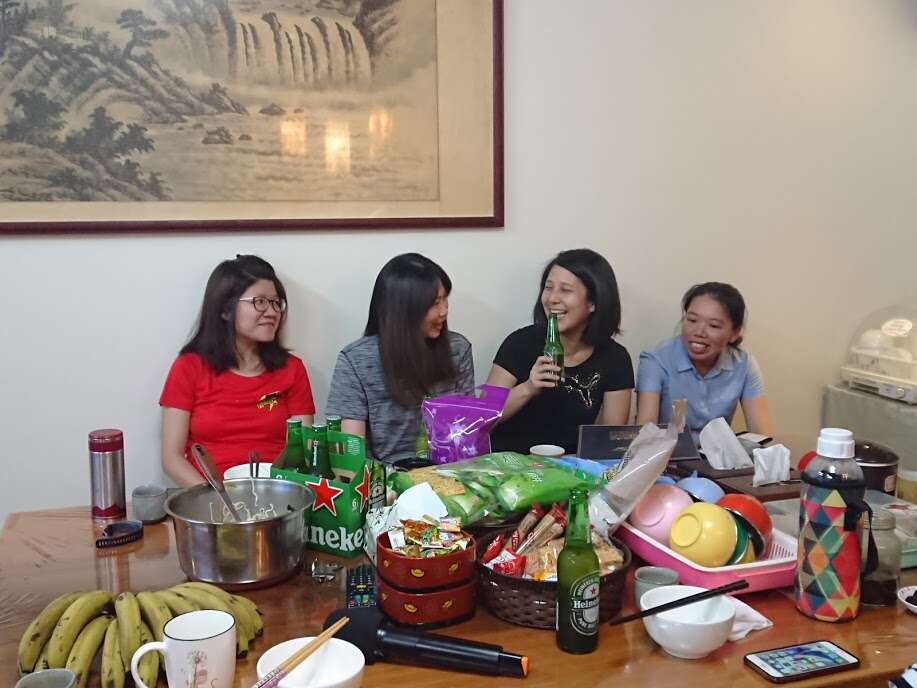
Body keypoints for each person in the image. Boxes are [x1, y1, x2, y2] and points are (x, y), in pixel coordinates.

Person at [160, 255, 315, 486]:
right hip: (210, 496)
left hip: (278, 494)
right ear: (225, 309)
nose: (272, 312)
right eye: (259, 302)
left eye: (276, 303)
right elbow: (172, 458)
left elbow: (304, 449)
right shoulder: (189, 367)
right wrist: (216, 499)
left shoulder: (292, 369)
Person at [326, 253, 475, 463]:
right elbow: (351, 457)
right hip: (385, 478)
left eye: (445, 299)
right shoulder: (356, 361)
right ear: (404, 309)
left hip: (450, 472)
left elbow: (466, 432)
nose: (444, 311)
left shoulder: (457, 349)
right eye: (435, 303)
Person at [486, 249, 634, 454]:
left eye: (565, 290)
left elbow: (610, 441)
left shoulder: (615, 358)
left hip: (570, 466)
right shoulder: (520, 343)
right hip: (509, 463)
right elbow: (480, 420)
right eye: (548, 288)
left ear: (593, 302)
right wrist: (528, 388)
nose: (552, 299)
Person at [635, 281, 774, 441]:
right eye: (692, 320)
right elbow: (646, 433)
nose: (699, 332)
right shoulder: (656, 360)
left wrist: (769, 454)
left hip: (718, 455)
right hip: (669, 454)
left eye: (713, 325)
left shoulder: (743, 363)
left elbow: (761, 432)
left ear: (734, 333)